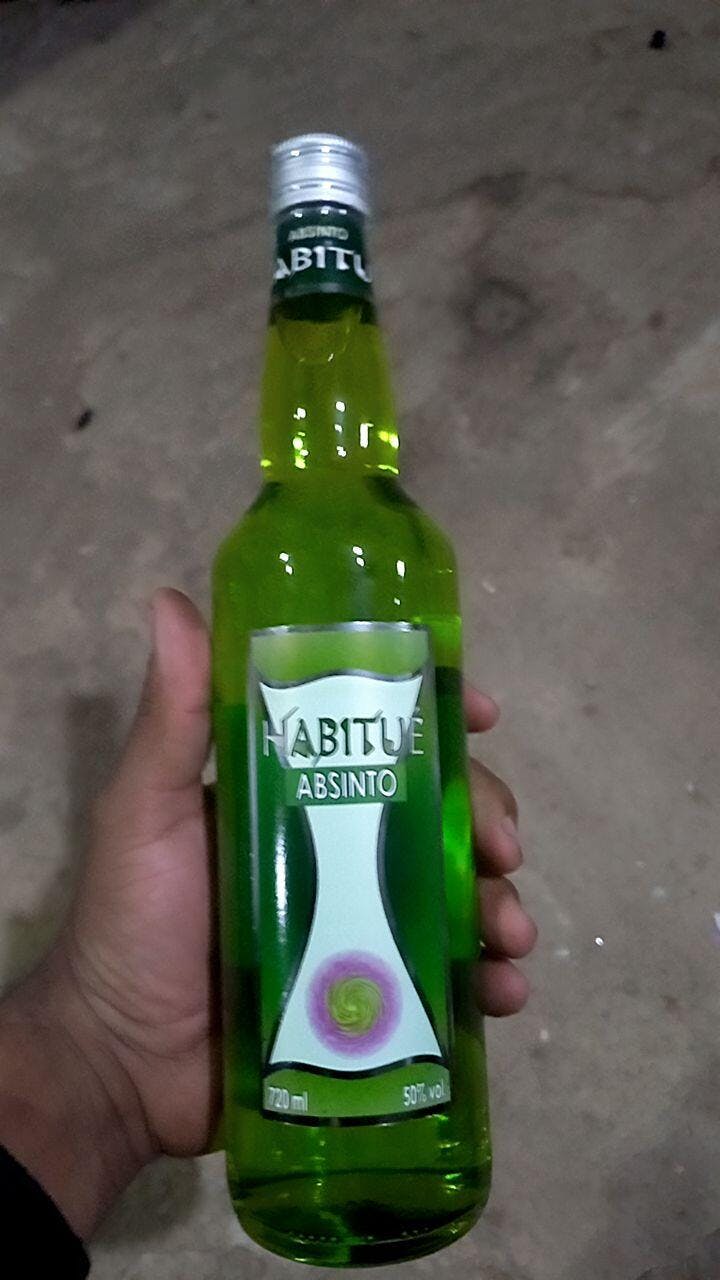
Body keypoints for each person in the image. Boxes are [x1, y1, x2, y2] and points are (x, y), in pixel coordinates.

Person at [0, 590, 537, 1276]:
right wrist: (102, 1039)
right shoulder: (267, 563)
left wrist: (99, 1050)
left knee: (430, 839)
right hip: (266, 1137)